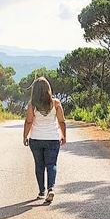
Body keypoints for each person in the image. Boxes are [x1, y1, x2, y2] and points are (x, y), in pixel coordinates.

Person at [23, 76, 66, 204]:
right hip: (52, 139)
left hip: (36, 139)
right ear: (48, 89)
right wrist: (63, 135)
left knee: (39, 165)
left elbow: (29, 121)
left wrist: (25, 136)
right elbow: (62, 121)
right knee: (51, 164)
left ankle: (41, 191)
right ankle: (50, 189)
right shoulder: (56, 103)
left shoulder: (32, 105)